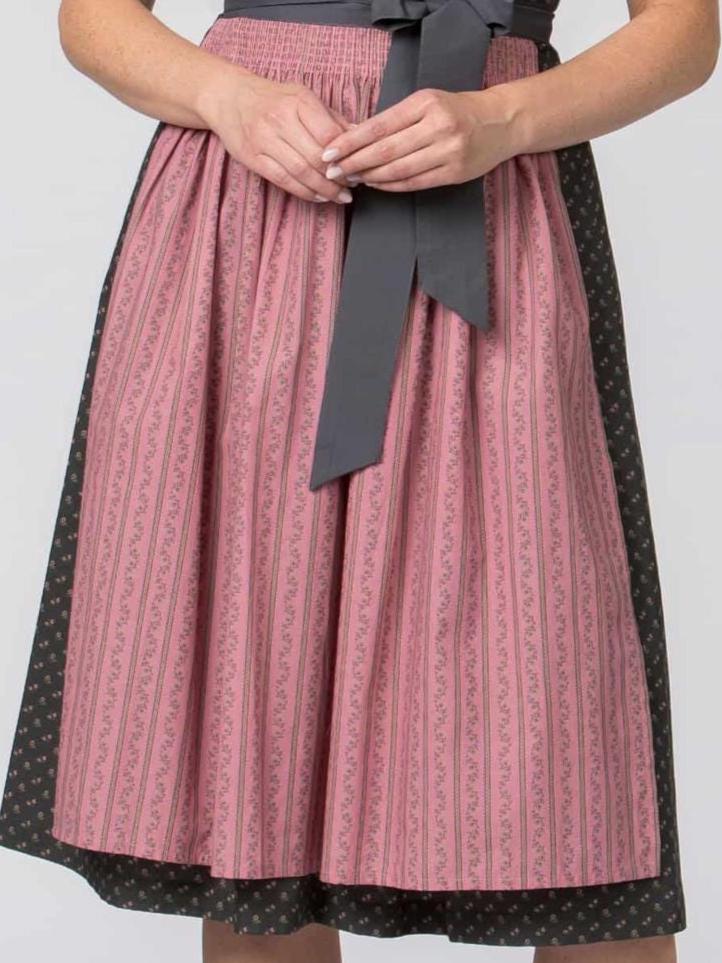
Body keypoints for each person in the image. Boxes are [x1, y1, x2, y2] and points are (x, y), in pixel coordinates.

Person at [0, 0, 717, 960]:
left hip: (494, 213)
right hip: (249, 223)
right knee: (256, 776)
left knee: (571, 773)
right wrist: (227, 98)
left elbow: (686, 31)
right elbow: (93, 18)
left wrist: (503, 117)